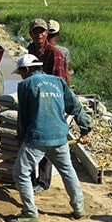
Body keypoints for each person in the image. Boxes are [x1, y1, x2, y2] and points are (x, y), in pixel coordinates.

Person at [8, 54, 92, 222]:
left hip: (37, 138)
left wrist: (21, 138)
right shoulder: (58, 82)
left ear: (26, 69)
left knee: (20, 172)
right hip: (60, 137)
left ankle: (30, 212)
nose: (21, 76)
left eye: (21, 72)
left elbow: (23, 116)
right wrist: (86, 129)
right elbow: (75, 106)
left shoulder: (25, 85)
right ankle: (78, 207)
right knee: (67, 171)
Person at [27, 18, 71, 193]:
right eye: (35, 31)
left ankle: (43, 182)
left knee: (47, 138)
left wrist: (57, 105)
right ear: (30, 34)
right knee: (31, 136)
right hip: (35, 98)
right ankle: (29, 178)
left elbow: (60, 83)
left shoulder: (55, 54)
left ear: (47, 34)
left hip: (51, 98)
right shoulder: (30, 50)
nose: (39, 34)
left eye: (42, 31)